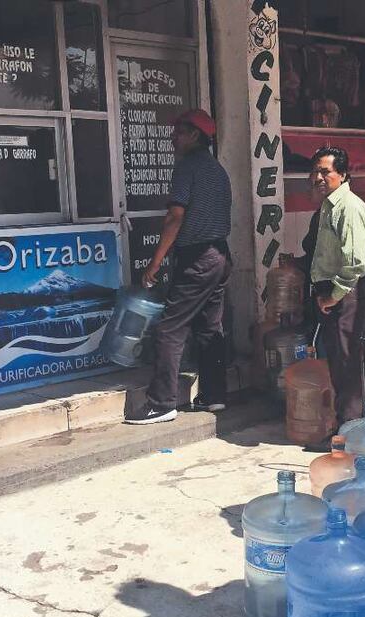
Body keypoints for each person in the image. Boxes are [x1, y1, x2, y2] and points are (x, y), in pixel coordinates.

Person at [125, 109, 231, 425]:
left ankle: (161, 403)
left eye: (180, 132)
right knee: (210, 327)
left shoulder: (187, 168)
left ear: (196, 135)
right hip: (220, 256)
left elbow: (175, 217)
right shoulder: (218, 170)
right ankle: (214, 396)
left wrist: (154, 263)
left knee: (170, 327)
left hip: (197, 258)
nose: (174, 137)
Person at [308, 146, 365, 441]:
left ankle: (349, 433)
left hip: (344, 292)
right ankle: (347, 427)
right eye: (316, 171)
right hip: (332, 290)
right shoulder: (329, 205)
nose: (319, 177)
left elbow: (355, 262)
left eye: (326, 172)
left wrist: (333, 296)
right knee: (338, 359)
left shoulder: (349, 207)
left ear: (343, 174)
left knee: (346, 362)